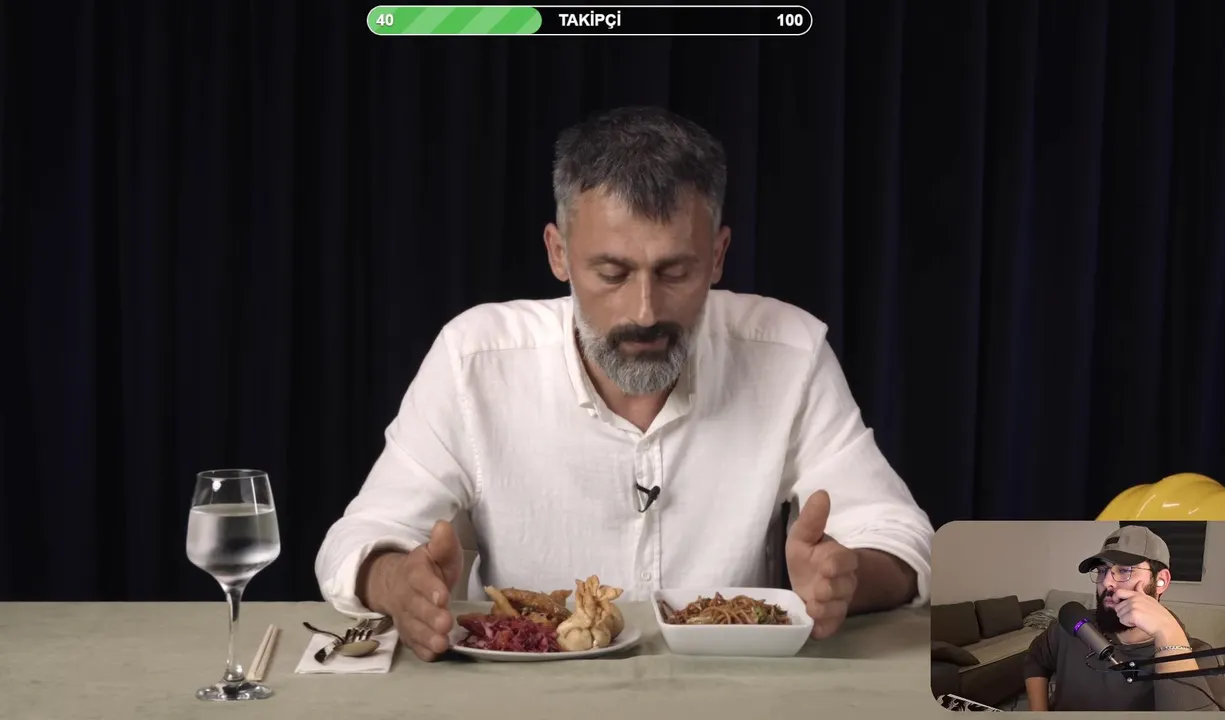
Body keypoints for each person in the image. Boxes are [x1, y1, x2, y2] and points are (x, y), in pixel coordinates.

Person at [315, 106, 935, 661]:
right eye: (612, 273)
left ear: (718, 257)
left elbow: (905, 542)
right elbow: (354, 542)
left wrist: (846, 579)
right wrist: (396, 583)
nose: (644, 310)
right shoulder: (473, 359)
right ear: (558, 254)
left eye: (676, 272)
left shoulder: (788, 352)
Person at [1023, 525, 1225, 711]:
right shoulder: (1073, 625)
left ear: (1161, 581)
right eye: (1102, 570)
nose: (1107, 582)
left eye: (1124, 570)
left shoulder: (1200, 660)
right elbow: (1035, 659)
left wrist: (1168, 633)